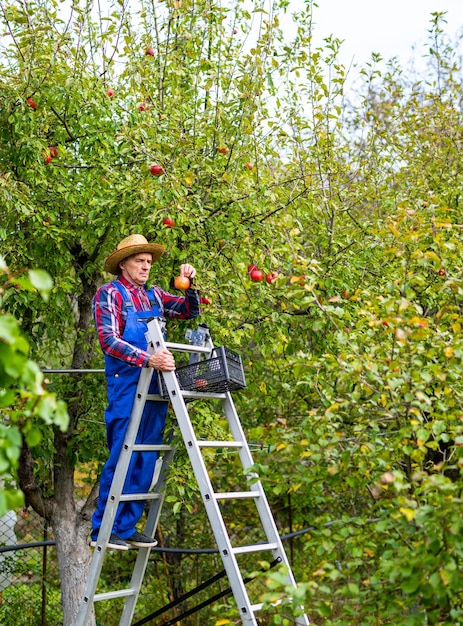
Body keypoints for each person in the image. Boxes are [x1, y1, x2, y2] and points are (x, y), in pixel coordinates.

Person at [91, 234, 200, 550]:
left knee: (147, 454)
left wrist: (190, 284)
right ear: (124, 263)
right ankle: (103, 528)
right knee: (122, 452)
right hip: (127, 383)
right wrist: (148, 358)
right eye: (140, 260)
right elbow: (108, 341)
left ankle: (125, 527)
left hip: (156, 384)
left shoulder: (154, 295)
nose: (145, 266)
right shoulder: (108, 294)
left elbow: (187, 311)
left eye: (149, 262)